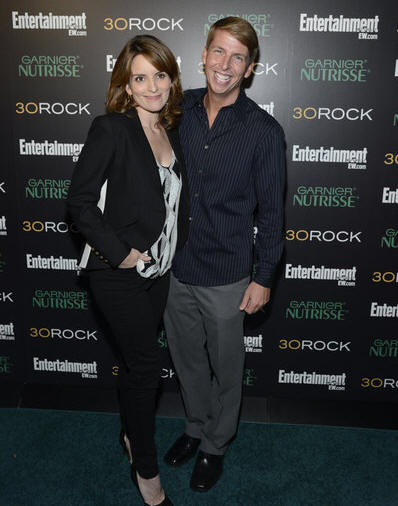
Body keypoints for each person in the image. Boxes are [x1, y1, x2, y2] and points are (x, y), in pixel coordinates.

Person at [163, 17, 286, 492]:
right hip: (177, 268)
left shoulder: (264, 132)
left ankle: (216, 444)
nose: (225, 64)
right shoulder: (179, 109)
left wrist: (264, 277)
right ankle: (195, 427)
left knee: (227, 368)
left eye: (238, 57)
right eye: (219, 52)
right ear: (203, 55)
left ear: (250, 68)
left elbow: (273, 215)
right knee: (187, 360)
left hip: (229, 275)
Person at [67, 35, 189, 506]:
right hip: (117, 271)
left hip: (159, 273)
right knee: (147, 368)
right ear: (126, 85)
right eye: (140, 77)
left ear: (170, 79)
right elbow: (79, 201)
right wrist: (121, 254)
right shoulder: (111, 129)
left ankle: (127, 433)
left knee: (137, 369)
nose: (152, 85)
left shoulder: (172, 131)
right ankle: (147, 470)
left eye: (160, 74)